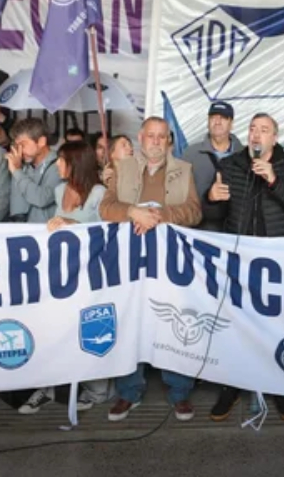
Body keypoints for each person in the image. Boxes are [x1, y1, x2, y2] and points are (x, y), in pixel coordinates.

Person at [204, 113, 284, 422]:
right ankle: (232, 385)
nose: (256, 134)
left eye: (264, 130)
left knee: (276, 326)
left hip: (277, 261)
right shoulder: (231, 165)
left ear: (274, 138)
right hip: (239, 261)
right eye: (253, 129)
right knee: (237, 325)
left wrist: (274, 180)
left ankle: (280, 386)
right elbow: (215, 212)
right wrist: (211, 198)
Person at [99, 117, 202, 422]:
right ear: (140, 138)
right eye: (151, 136)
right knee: (130, 322)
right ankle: (129, 391)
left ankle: (179, 392)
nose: (156, 141)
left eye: (161, 137)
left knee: (173, 321)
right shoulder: (122, 167)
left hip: (170, 264)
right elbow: (105, 209)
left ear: (168, 140)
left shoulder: (184, 170)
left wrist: (161, 215)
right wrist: (133, 212)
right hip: (129, 264)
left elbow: (195, 212)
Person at [18, 141, 108, 414]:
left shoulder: (99, 193)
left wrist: (74, 225)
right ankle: (49, 387)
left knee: (90, 330)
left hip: (91, 275)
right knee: (55, 331)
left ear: (76, 163)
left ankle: (97, 391)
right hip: (61, 274)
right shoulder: (59, 191)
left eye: (62, 160)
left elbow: (107, 233)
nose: (57, 164)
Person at [183, 101, 244, 230]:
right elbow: (180, 195)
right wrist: (208, 197)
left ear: (231, 124)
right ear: (208, 122)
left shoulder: (245, 155)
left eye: (223, 118)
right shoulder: (191, 154)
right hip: (199, 231)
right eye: (213, 117)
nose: (217, 122)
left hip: (236, 233)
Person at [7, 118, 63, 223]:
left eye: (23, 145)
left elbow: (42, 199)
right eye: (17, 146)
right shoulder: (22, 166)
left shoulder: (59, 164)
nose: (20, 150)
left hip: (47, 230)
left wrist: (17, 172)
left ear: (41, 141)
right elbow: (16, 208)